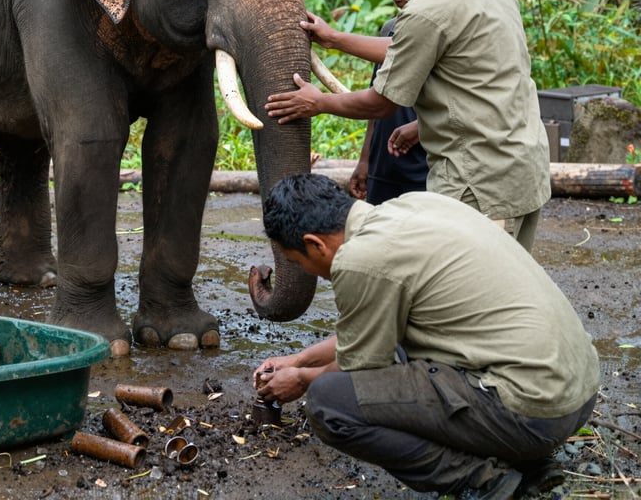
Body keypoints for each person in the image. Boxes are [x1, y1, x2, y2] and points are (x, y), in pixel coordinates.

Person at [254, 173, 599, 500]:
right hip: (576, 394)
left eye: (296, 261)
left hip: (533, 412)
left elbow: (359, 367)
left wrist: (301, 380)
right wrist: (298, 360)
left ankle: (484, 480)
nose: (304, 270)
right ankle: (528, 463)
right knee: (400, 359)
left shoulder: (361, 259)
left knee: (329, 403)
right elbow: (364, 338)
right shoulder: (415, 206)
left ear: (315, 244)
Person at [265, 0, 551, 251]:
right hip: (522, 166)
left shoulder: (427, 9)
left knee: (461, 301)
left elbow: (382, 102)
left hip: (477, 184)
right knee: (507, 293)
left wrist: (318, 103)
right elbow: (476, 70)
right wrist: (335, 38)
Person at [351, 0, 427, 202]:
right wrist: (365, 161)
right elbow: (377, 98)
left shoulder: (436, 29)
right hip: (384, 163)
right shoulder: (389, 29)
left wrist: (420, 128)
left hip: (422, 165)